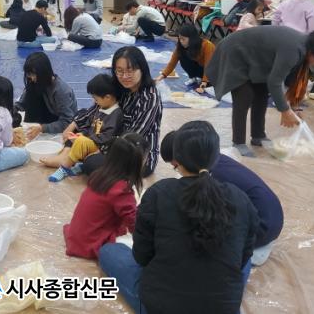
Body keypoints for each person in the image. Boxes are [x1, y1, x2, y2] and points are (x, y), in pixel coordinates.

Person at [98, 121, 258, 314]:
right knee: (238, 260)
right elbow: (244, 256)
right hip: (222, 308)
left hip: (161, 306)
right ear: (216, 157)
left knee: (109, 250)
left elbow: (142, 256)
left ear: (176, 159)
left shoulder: (159, 192)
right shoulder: (240, 198)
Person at [206, 27, 314, 157]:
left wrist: (293, 107)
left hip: (256, 57)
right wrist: (285, 111)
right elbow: (275, 82)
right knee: (244, 96)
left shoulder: (305, 48)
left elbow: (289, 80)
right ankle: (238, 142)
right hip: (235, 52)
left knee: (262, 93)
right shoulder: (294, 49)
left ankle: (258, 136)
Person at [160, 123, 284, 266]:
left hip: (263, 228)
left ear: (183, 157)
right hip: (273, 218)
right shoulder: (212, 159)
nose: (178, 171)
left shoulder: (211, 178)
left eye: (176, 166)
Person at [81, 46, 163, 177]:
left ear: (142, 69)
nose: (124, 76)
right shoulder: (120, 87)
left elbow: (133, 136)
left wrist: (102, 149)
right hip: (110, 140)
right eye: (119, 71)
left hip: (136, 155)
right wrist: (74, 125)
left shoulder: (149, 98)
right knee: (77, 135)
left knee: (91, 163)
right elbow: (97, 107)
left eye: (130, 71)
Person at [64, 134, 148, 259]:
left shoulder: (99, 175)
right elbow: (134, 225)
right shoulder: (122, 190)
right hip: (90, 244)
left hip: (75, 236)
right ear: (137, 163)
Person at [45, 73, 123, 182]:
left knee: (80, 142)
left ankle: (64, 167)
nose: (94, 102)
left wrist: (85, 138)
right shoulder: (101, 107)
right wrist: (82, 134)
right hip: (93, 141)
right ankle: (79, 164)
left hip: (102, 148)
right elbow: (91, 125)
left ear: (108, 97)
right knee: (78, 134)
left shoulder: (115, 114)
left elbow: (107, 137)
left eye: (96, 99)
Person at [15, 52, 78, 141]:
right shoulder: (34, 82)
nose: (32, 78)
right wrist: (10, 109)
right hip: (46, 115)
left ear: (44, 73)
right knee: (31, 91)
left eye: (33, 74)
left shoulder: (61, 90)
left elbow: (68, 121)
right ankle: (33, 126)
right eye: (29, 74)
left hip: (59, 119)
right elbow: (22, 103)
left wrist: (42, 128)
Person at [154, 24, 216, 93]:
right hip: (200, 68)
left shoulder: (207, 45)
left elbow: (209, 66)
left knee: (210, 83)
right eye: (179, 38)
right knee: (182, 56)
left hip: (213, 72)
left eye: (183, 39)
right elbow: (172, 63)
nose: (181, 41)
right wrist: (160, 77)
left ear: (192, 39)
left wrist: (203, 85)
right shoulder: (181, 46)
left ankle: (207, 81)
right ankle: (193, 77)